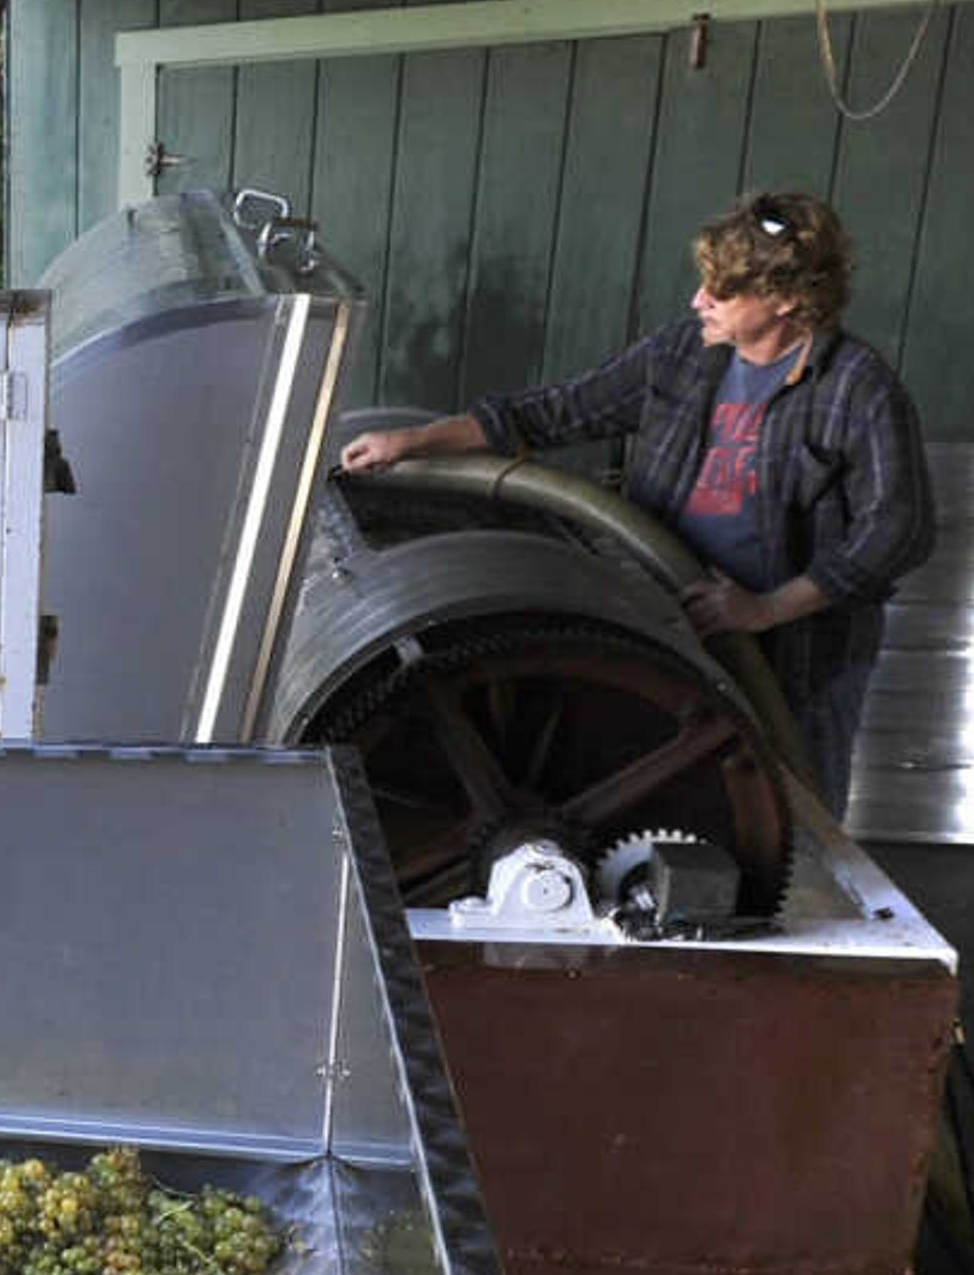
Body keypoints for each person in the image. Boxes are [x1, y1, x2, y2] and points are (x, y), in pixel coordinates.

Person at [336, 188, 934, 809]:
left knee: (802, 807)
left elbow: (898, 531)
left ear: (786, 299)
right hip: (666, 618)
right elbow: (560, 411)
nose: (697, 300)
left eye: (721, 291)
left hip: (797, 654)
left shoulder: (858, 389)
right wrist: (414, 441)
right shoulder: (684, 352)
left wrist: (764, 609)